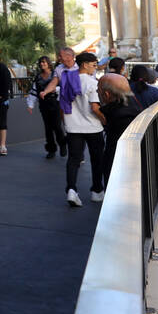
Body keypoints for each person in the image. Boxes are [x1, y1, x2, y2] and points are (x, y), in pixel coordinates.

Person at [61, 53, 106, 207]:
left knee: (73, 160)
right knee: (97, 159)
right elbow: (95, 107)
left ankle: (72, 190)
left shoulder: (66, 80)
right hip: (93, 127)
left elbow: (62, 105)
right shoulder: (92, 83)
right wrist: (105, 120)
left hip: (73, 126)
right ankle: (97, 191)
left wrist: (66, 123)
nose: (95, 67)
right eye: (94, 64)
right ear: (85, 64)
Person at [97, 73, 140, 185]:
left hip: (122, 176)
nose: (97, 93)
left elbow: (115, 154)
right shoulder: (133, 106)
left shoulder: (121, 116)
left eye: (98, 90)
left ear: (106, 94)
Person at [27, 56, 67, 159]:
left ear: (48, 63)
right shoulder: (38, 76)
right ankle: (51, 150)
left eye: (44, 62)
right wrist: (30, 105)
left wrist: (56, 89)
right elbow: (34, 91)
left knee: (57, 126)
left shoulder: (55, 74)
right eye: (40, 62)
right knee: (48, 128)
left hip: (55, 102)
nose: (42, 64)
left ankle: (62, 145)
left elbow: (64, 86)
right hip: (43, 104)